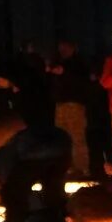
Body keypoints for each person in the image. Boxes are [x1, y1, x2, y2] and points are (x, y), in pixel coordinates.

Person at [44, 41, 95, 177]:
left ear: (73, 48)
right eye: (61, 48)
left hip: (74, 104)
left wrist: (64, 73)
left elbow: (82, 81)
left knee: (77, 136)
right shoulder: (58, 62)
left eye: (65, 48)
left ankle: (82, 167)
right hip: (60, 105)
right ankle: (68, 166)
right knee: (62, 137)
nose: (63, 51)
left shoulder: (78, 64)